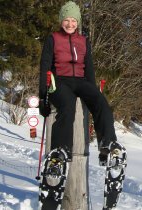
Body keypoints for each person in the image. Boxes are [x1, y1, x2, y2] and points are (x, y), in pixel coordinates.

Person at [39, 1, 117, 164]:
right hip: (60, 81)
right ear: (61, 21)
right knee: (68, 105)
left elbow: (89, 68)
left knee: (101, 102)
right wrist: (43, 97)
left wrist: (93, 90)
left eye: (73, 20)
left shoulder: (83, 41)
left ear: (78, 22)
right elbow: (44, 67)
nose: (70, 24)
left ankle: (107, 143)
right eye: (66, 20)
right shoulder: (53, 38)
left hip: (81, 81)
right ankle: (60, 150)